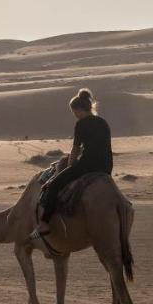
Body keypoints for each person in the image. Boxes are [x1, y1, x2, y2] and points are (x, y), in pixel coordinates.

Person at [31, 88, 113, 247]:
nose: (75, 115)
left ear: (80, 109)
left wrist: (70, 166)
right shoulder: (103, 122)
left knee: (53, 185)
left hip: (88, 165)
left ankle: (44, 224)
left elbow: (75, 149)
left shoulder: (81, 124)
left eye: (74, 112)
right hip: (106, 166)